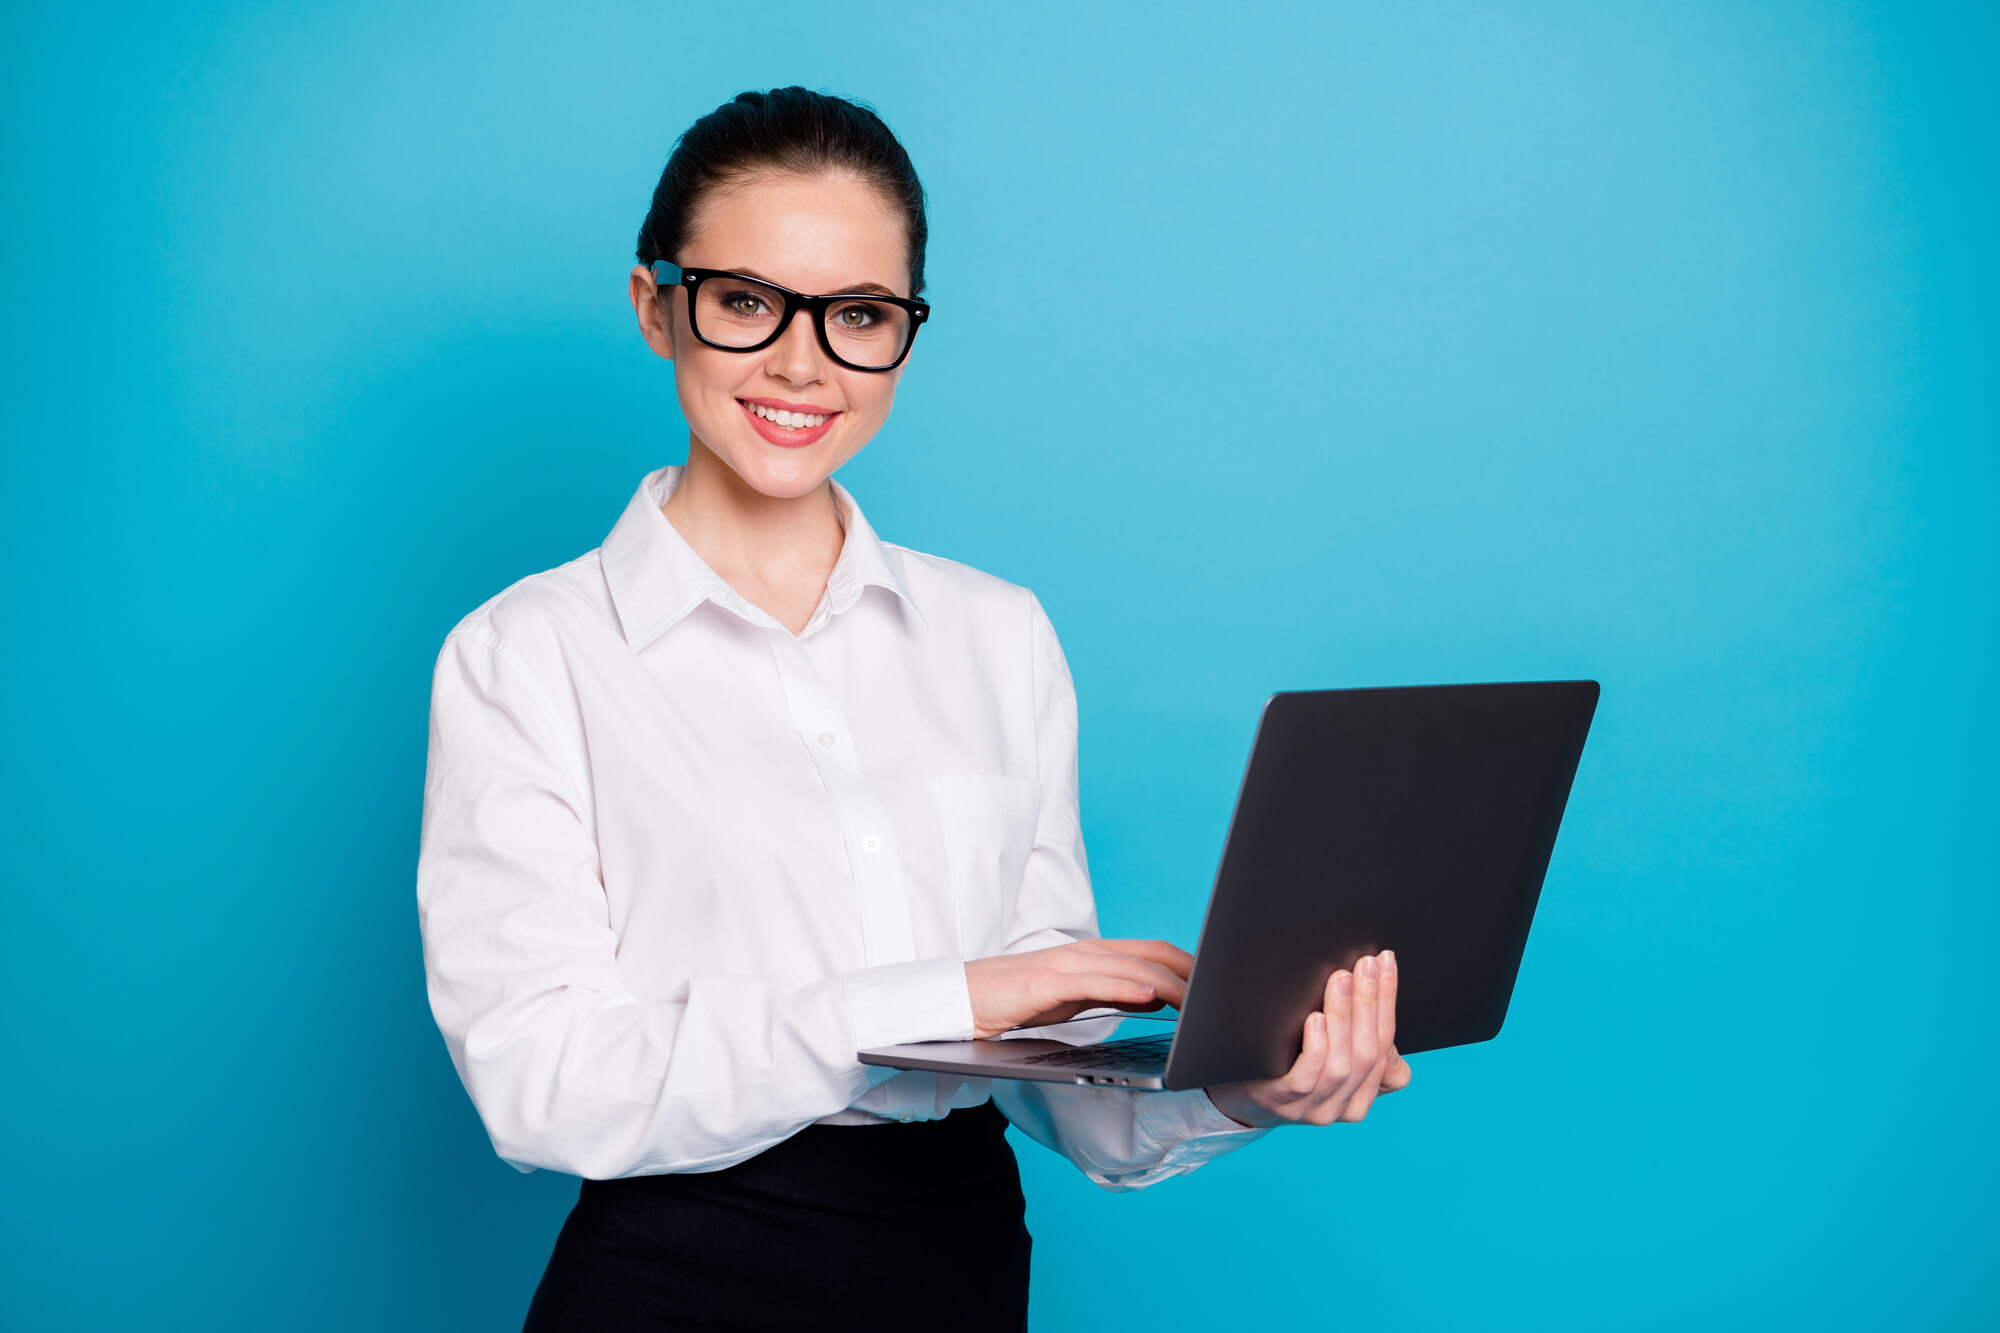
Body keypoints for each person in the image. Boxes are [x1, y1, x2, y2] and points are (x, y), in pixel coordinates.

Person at [415, 86, 1413, 1332]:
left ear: (906, 333)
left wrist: (1252, 1084)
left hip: (959, 1269)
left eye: (859, 316)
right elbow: (546, 1088)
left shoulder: (997, 635)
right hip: (676, 1281)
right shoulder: (527, 655)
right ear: (654, 308)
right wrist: (956, 990)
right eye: (743, 302)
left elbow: (1063, 1089)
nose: (800, 362)